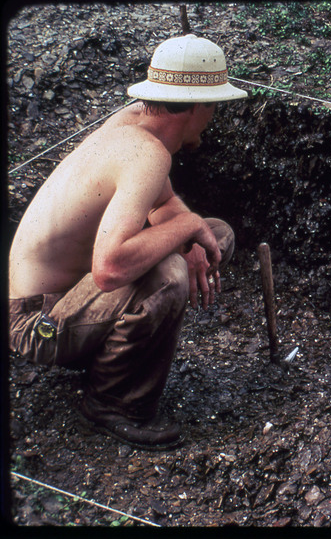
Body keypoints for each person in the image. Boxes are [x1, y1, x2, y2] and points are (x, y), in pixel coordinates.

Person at [8, 34, 248, 450]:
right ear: (197, 106)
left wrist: (189, 231)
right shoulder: (148, 154)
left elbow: (166, 203)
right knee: (169, 273)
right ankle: (112, 403)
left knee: (216, 235)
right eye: (213, 106)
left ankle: (109, 351)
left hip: (67, 298)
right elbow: (110, 269)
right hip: (37, 325)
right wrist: (186, 228)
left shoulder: (134, 122)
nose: (213, 117)